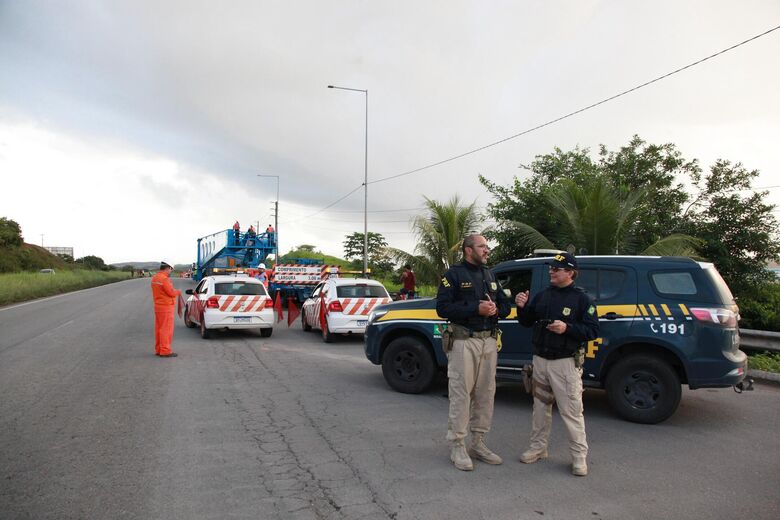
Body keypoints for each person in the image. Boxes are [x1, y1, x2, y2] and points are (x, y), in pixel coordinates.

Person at [515, 252, 599, 476]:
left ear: (571, 273)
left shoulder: (583, 299)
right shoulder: (543, 295)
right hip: (540, 361)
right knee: (540, 409)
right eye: (551, 268)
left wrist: (567, 329)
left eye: (557, 268)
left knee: (572, 412)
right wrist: (522, 307)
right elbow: (526, 321)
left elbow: (592, 330)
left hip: (565, 364)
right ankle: (538, 448)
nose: (552, 271)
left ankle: (579, 457)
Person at [436, 234, 511, 471]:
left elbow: (506, 308)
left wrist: (495, 308)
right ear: (469, 250)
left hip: (489, 342)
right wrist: (476, 308)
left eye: (487, 246)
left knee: (485, 394)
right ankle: (458, 445)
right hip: (464, 341)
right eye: (482, 246)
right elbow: (442, 308)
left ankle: (478, 443)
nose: (487, 250)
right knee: (461, 393)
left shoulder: (490, 274)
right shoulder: (454, 275)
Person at [151, 261, 182, 358]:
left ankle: (159, 349)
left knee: (159, 329)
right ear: (168, 268)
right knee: (166, 330)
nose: (170, 271)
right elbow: (171, 293)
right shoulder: (165, 279)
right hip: (166, 307)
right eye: (171, 269)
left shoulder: (155, 277)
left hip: (158, 306)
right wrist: (178, 292)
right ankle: (165, 351)